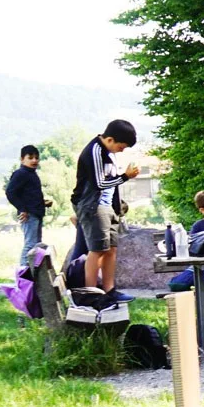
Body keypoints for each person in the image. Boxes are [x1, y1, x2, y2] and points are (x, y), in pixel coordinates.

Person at [71, 118, 140, 300]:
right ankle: (91, 293)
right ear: (110, 139)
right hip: (93, 205)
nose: (121, 150)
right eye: (121, 147)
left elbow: (111, 180)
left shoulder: (110, 153)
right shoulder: (94, 151)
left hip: (109, 206)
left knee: (111, 249)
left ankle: (109, 290)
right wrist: (125, 176)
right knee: (97, 249)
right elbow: (99, 183)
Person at [5, 145, 50, 266]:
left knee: (37, 245)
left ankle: (34, 271)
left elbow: (29, 194)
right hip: (29, 215)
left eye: (36, 158)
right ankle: (23, 272)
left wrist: (42, 202)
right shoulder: (21, 173)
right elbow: (10, 192)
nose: (34, 160)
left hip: (36, 212)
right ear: (22, 159)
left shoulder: (32, 174)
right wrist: (22, 209)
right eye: (30, 158)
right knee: (30, 244)